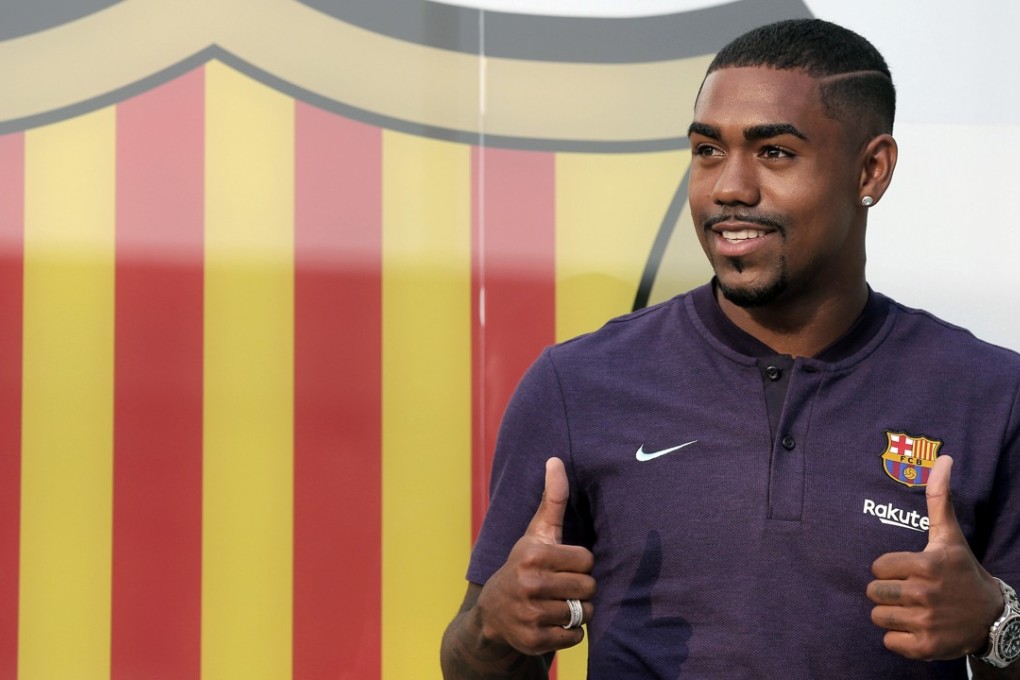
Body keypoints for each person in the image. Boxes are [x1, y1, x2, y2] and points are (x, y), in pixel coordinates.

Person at [440, 18, 1020, 679]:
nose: (729, 188)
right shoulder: (578, 383)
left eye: (774, 152)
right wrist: (495, 628)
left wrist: (997, 625)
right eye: (709, 150)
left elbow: (1005, 640)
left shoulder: (989, 396)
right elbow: (471, 663)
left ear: (871, 168)